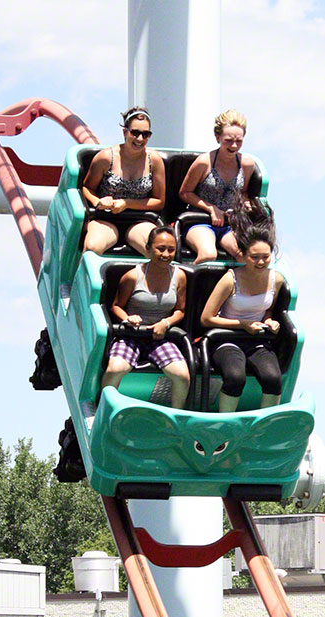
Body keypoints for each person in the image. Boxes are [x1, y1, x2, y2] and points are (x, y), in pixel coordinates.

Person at [200, 198, 283, 413]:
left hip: (255, 339)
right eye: (255, 257)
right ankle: (225, 422)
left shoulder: (277, 280)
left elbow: (267, 312)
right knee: (236, 377)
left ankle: (265, 425)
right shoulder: (230, 279)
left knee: (273, 378)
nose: (261, 262)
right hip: (226, 338)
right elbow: (206, 318)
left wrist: (269, 322)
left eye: (265, 257)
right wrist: (242, 324)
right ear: (244, 256)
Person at [101, 226, 190, 409]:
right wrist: (127, 318)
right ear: (149, 249)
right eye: (160, 249)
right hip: (131, 335)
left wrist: (165, 323)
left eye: (171, 250)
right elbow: (116, 306)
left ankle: (175, 416)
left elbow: (180, 310)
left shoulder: (179, 276)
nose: (166, 254)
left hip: (158, 337)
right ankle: (103, 408)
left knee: (182, 375)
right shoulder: (133, 276)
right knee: (116, 368)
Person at [82, 107, 166, 256]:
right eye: (135, 133)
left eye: (145, 134)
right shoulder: (106, 157)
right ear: (125, 132)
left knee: (157, 251)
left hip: (139, 220)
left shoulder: (154, 160)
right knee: (92, 247)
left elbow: (159, 201)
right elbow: (86, 189)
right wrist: (98, 202)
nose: (140, 139)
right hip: (106, 218)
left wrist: (126, 203)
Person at [179, 109, 256, 264]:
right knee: (209, 254)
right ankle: (190, 284)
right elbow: (185, 193)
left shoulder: (246, 164)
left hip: (229, 224)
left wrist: (246, 203)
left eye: (238, 141)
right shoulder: (204, 162)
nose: (234, 145)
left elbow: (244, 192)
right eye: (228, 140)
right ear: (218, 137)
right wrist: (211, 209)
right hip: (201, 220)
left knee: (245, 255)